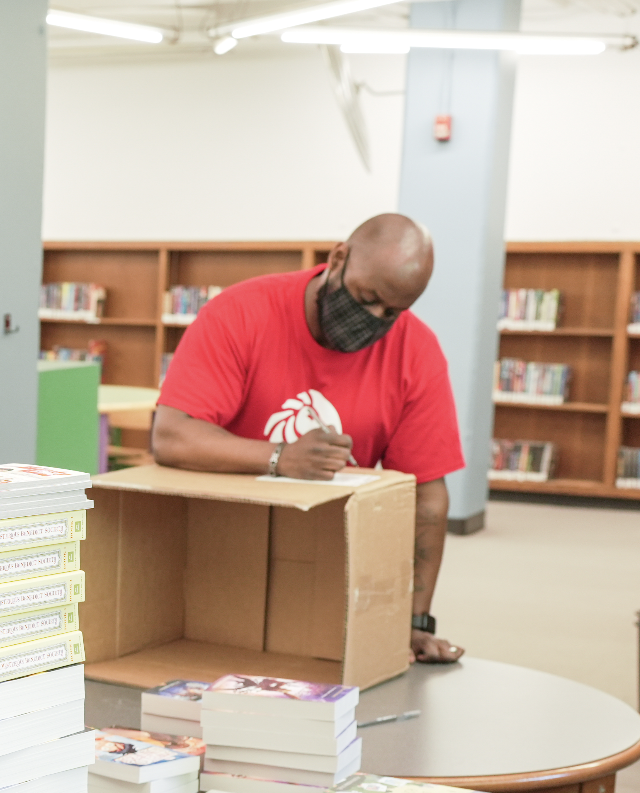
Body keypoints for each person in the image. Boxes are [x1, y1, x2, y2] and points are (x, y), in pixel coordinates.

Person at [150, 213, 465, 664]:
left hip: (326, 565)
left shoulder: (416, 351)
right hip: (211, 551)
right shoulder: (241, 312)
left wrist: (414, 622)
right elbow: (172, 435)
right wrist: (280, 457)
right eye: (367, 298)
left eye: (392, 312)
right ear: (339, 257)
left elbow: (427, 498)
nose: (373, 320)